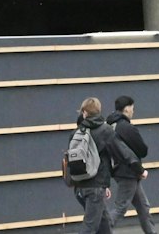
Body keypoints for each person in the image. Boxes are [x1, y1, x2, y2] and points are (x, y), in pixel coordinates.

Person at [63, 98, 115, 234]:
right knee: (90, 227)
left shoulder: (75, 133)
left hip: (79, 186)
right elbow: (118, 153)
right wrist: (137, 169)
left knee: (104, 224)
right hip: (96, 186)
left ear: (84, 112)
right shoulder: (106, 130)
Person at [105, 96, 156, 234]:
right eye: (132, 108)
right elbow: (142, 149)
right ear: (127, 109)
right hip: (128, 172)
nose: (133, 111)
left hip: (120, 171)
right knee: (121, 207)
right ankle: (101, 229)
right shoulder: (126, 127)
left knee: (143, 206)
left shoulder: (110, 126)